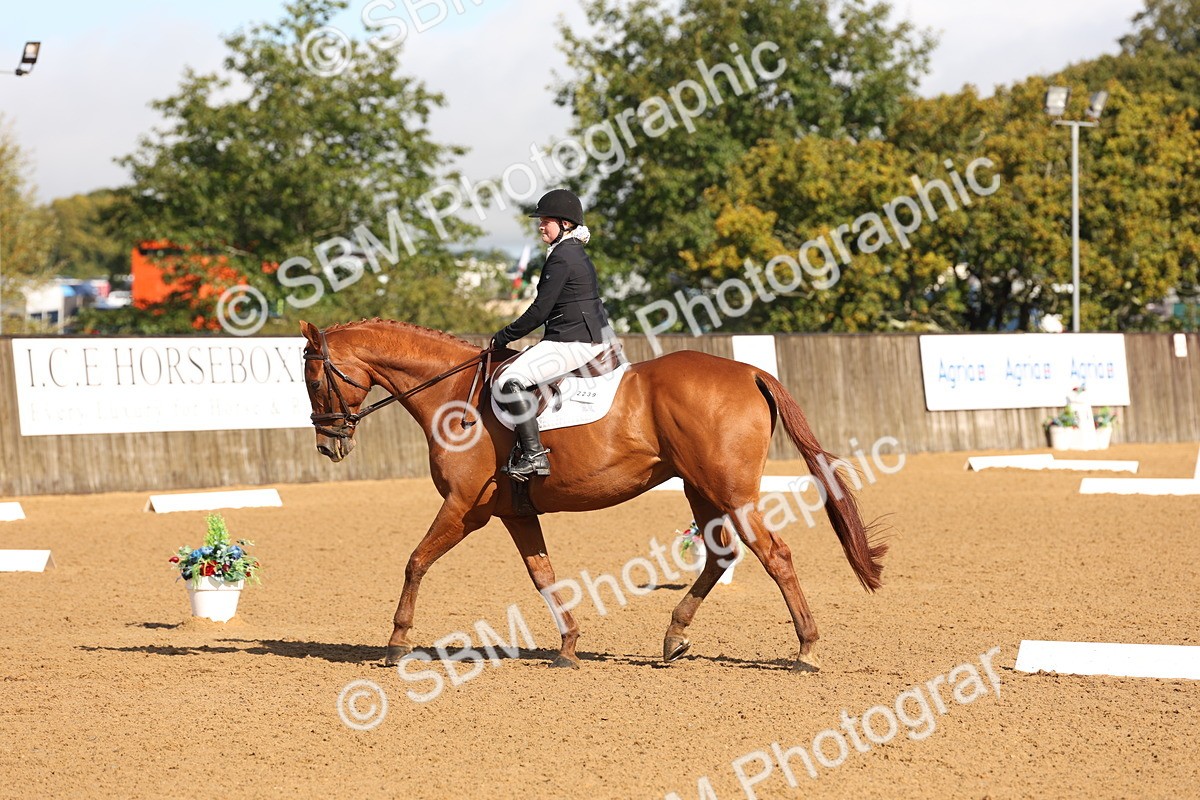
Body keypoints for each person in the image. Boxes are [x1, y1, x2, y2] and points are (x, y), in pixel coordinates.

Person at [491, 188, 613, 481]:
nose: (541, 226)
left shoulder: (562, 257)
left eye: (546, 221)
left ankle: (534, 455)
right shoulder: (571, 251)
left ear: (565, 224)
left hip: (574, 340)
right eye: (541, 221)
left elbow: (539, 311)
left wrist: (504, 336)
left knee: (509, 380)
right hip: (583, 334)